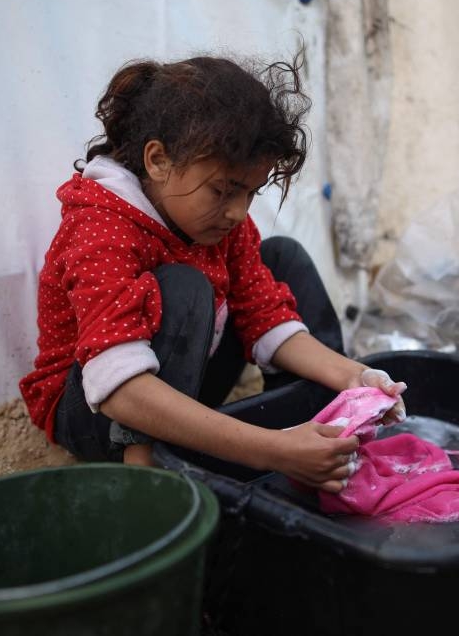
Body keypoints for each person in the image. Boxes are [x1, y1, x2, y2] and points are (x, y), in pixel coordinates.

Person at [20, 52, 406, 493]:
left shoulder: (224, 224)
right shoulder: (102, 226)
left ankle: (319, 420)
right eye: (222, 190)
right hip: (97, 412)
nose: (238, 211)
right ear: (158, 160)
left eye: (250, 193)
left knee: (283, 257)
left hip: (187, 382)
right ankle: (149, 471)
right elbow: (120, 391)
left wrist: (354, 376)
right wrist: (271, 451)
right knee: (185, 289)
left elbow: (264, 315)